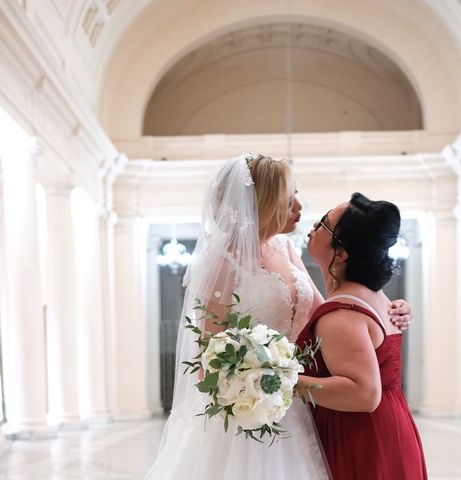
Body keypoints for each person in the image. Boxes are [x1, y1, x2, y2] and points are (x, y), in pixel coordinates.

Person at [145, 156, 412, 480]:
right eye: (289, 199)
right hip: (253, 415)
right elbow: (208, 367)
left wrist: (384, 310)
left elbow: (328, 312)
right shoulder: (222, 266)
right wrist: (254, 380)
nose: (300, 205)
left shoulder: (285, 247)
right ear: (265, 205)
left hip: (301, 404)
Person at [296, 192, 428, 480]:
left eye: (322, 224)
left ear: (341, 252)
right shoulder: (376, 297)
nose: (312, 228)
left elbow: (364, 394)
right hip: (390, 428)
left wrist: (284, 382)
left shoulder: (341, 313)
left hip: (361, 437)